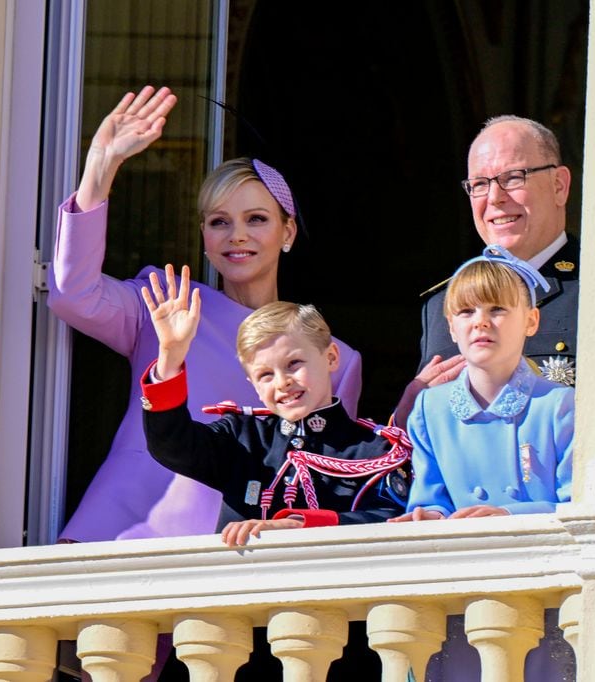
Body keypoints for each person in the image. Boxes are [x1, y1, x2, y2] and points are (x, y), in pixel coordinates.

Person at [48, 86, 362, 543]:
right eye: (219, 221)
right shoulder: (165, 301)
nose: (237, 235)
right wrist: (101, 166)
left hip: (237, 551)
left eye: (256, 219)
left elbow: (331, 470)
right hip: (124, 534)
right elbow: (71, 295)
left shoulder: (336, 357)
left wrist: (409, 412)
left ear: (287, 230)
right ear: (204, 236)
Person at [391, 245, 575, 682]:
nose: (482, 322)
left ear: (531, 321)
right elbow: (429, 496)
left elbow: (577, 509)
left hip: (538, 595)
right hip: (460, 597)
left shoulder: (558, 406)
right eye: (467, 311)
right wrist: (425, 515)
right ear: (450, 326)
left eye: (498, 309)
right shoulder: (430, 410)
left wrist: (509, 515)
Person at [138, 288, 409, 547]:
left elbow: (396, 521)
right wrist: (169, 358)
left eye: (294, 364)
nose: (282, 383)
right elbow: (172, 446)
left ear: (331, 357)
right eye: (265, 375)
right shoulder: (243, 438)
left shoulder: (376, 450)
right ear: (253, 385)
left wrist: (301, 525)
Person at [396, 115, 579, 427]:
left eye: (513, 177)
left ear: (559, 186)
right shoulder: (443, 303)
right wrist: (408, 407)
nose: (495, 198)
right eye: (480, 184)